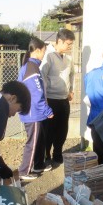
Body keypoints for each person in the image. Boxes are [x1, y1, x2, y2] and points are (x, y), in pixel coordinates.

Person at [17, 37, 54, 181]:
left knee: (39, 140)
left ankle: (38, 164)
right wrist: (47, 110)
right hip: (33, 113)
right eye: (43, 51)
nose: (44, 54)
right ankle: (24, 171)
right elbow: (37, 94)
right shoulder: (32, 68)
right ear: (38, 51)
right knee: (32, 143)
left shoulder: (31, 66)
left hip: (35, 113)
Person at [41, 27, 76, 166]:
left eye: (71, 44)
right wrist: (44, 97)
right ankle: (46, 155)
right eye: (68, 44)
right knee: (49, 130)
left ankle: (58, 153)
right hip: (50, 99)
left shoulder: (68, 58)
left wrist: (71, 90)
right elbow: (42, 76)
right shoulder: (48, 55)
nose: (70, 47)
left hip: (64, 99)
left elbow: (72, 74)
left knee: (62, 130)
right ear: (59, 41)